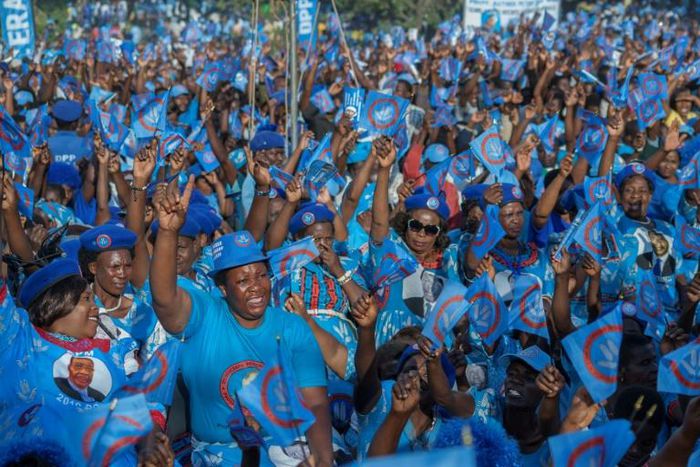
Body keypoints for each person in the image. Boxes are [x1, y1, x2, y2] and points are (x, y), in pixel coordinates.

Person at [149, 176, 333, 466]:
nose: (256, 286)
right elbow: (163, 298)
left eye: (261, 276)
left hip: (282, 452)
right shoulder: (205, 315)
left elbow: (316, 401)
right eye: (243, 280)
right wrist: (168, 233)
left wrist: (323, 457)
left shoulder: (292, 327)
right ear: (223, 288)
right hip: (218, 455)